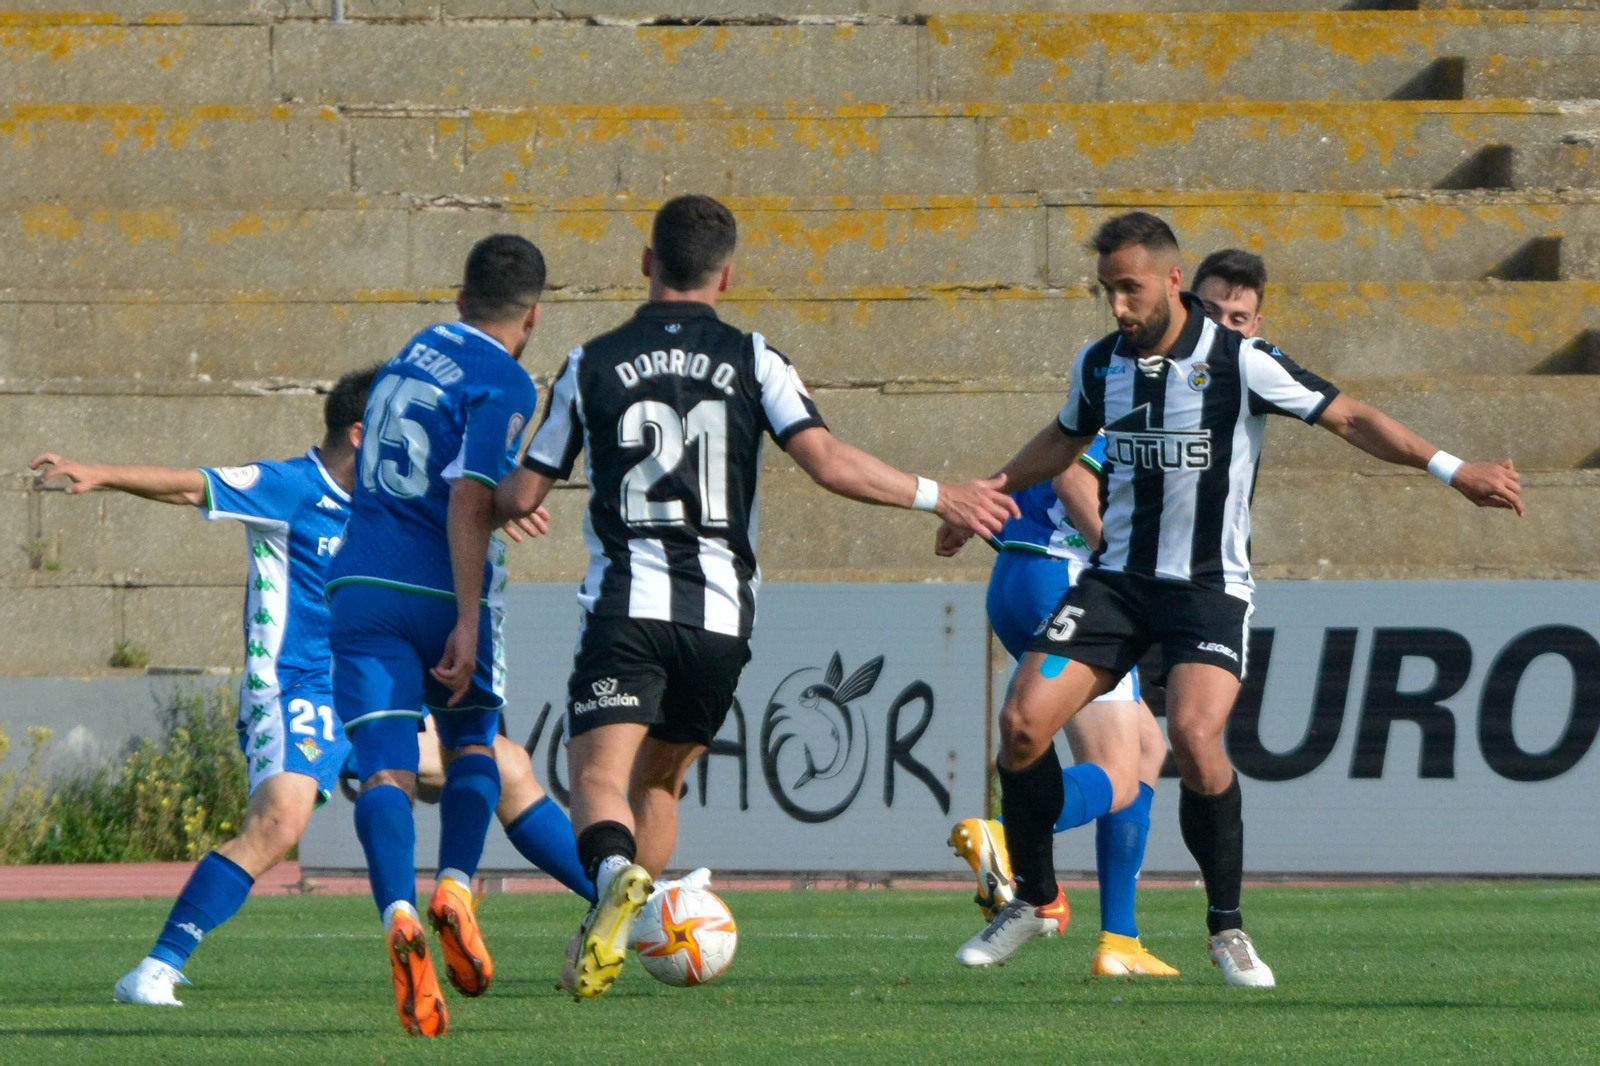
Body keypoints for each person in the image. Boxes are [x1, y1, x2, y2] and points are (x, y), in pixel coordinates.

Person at [940, 212, 1522, 986]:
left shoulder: (1241, 361)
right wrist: (983, 497)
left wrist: (1455, 469)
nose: (1119, 305)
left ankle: (1226, 928)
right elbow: (1062, 441)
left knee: (1193, 733)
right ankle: (1037, 901)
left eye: (1131, 289)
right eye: (1108, 290)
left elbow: (1350, 416)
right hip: (1117, 584)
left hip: (1208, 588)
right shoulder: (1101, 364)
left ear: (1174, 281)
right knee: (1021, 725)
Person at [492, 194, 1019, 1001]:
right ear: (726, 274)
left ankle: (612, 884)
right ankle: (625, 915)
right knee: (660, 785)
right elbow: (829, 462)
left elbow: (522, 491)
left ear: (646, 262)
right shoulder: (753, 357)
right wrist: (939, 495)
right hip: (722, 618)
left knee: (597, 777)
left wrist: (493, 498)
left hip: (629, 604)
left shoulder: (589, 362)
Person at [948, 246, 1273, 978]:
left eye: (1240, 317)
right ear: (1183, 293)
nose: (1224, 325)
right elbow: (1071, 470)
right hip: (1073, 570)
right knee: (1122, 768)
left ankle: (1119, 938)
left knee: (1149, 756)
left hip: (1030, 565)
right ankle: (1018, 853)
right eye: (1214, 310)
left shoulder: (1228, 373)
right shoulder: (1138, 366)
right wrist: (1127, 556)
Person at [325, 233, 560, 1036]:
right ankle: (455, 886)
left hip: (360, 584)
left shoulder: (414, 351)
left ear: (460, 301)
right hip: (441, 584)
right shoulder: (507, 379)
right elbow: (467, 495)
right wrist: (465, 613)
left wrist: (498, 500)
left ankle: (398, 912)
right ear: (532, 316)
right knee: (473, 749)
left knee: (385, 775)